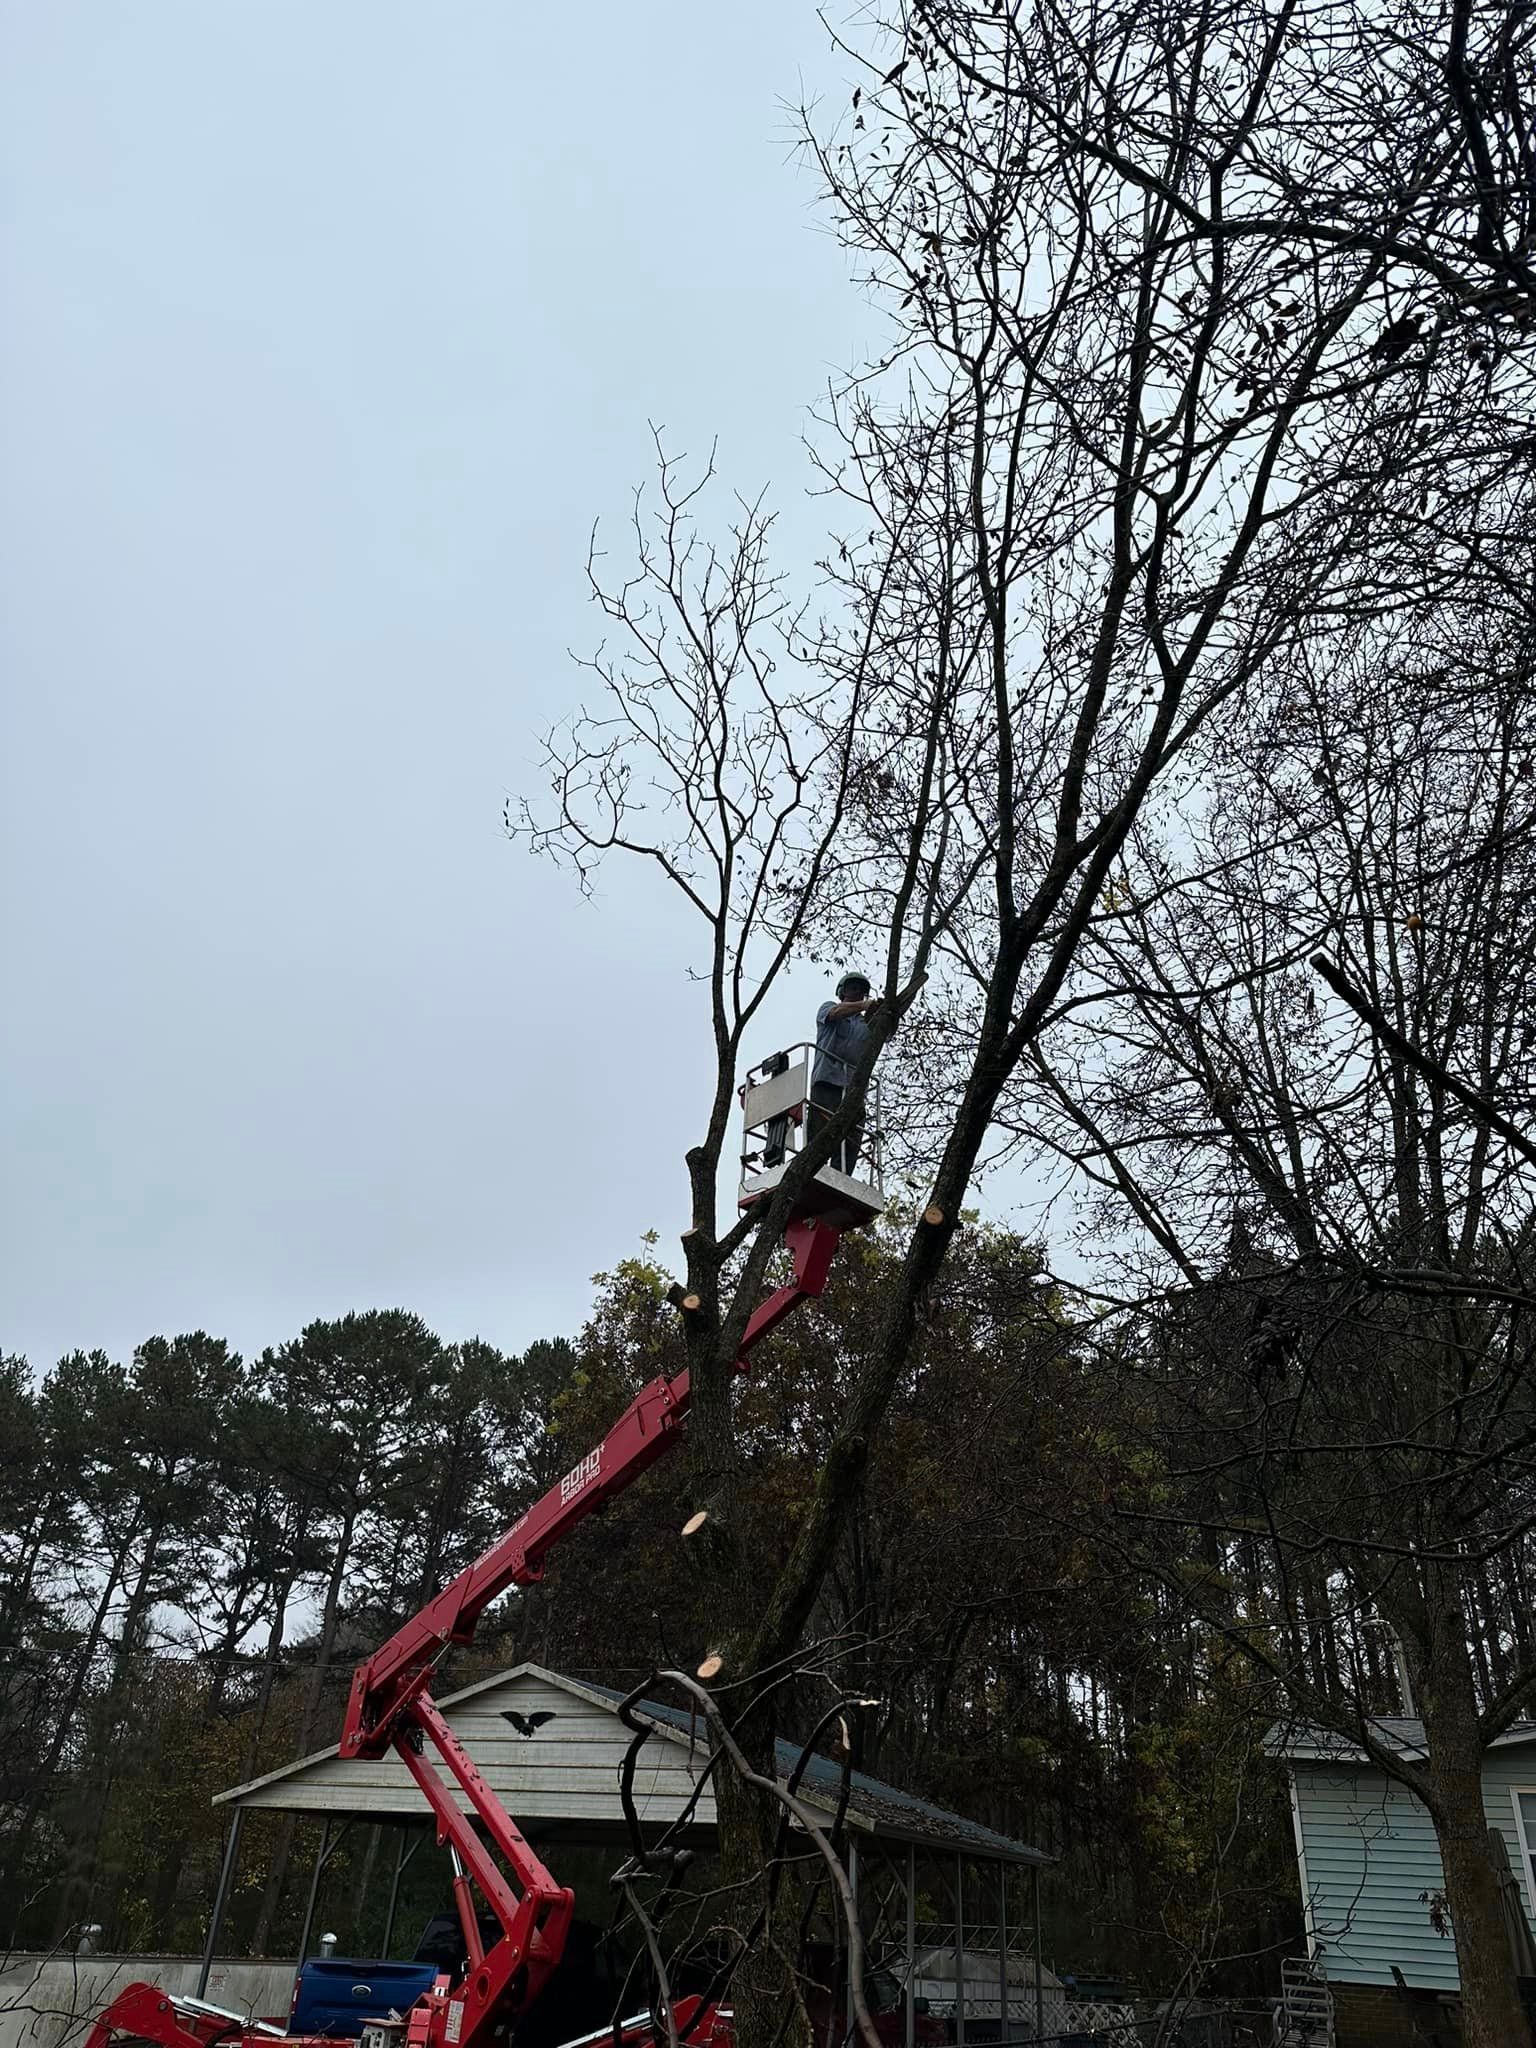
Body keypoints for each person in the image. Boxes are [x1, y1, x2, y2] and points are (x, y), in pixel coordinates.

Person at [811, 972, 879, 1173]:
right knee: (819, 1138)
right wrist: (864, 1006)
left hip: (854, 1091)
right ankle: (813, 1172)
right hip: (827, 1084)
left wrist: (884, 1013)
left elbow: (886, 1033)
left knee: (850, 1141)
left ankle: (841, 1177)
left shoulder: (867, 1025)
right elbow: (834, 1014)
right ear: (842, 991)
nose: (856, 992)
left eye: (860, 990)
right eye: (852, 988)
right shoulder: (829, 1007)